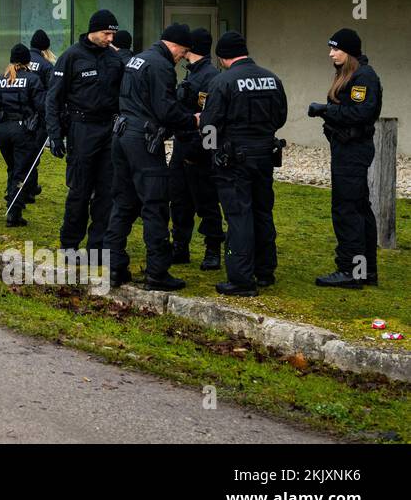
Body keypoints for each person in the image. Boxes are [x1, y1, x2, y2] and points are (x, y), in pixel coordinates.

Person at [104, 23, 197, 290]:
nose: (183, 57)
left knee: (123, 203)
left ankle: (114, 268)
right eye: (184, 51)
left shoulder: (138, 58)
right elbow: (165, 109)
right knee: (155, 205)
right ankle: (157, 272)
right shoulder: (160, 65)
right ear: (175, 45)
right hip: (143, 141)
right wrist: (192, 120)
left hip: (122, 135)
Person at [200, 32, 287, 296]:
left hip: (234, 159)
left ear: (222, 57)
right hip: (264, 155)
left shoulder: (222, 81)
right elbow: (280, 117)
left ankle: (240, 279)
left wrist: (211, 151)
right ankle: (264, 270)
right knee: (262, 211)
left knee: (239, 215)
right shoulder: (272, 78)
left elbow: (209, 124)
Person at [46, 10, 123, 258]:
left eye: (113, 34)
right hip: (82, 130)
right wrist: (55, 135)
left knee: (106, 191)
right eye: (106, 33)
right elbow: (53, 99)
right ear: (93, 30)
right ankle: (69, 245)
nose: (110, 38)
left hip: (109, 131)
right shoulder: (71, 57)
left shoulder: (114, 59)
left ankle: (97, 246)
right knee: (79, 190)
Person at [310, 28, 383, 289]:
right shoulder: (351, 74)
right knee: (359, 208)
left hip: (352, 151)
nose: (331, 54)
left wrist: (325, 111)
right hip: (347, 149)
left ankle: (350, 271)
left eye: (335, 49)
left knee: (347, 210)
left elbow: (361, 113)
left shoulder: (363, 76)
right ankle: (365, 271)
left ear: (349, 51)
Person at [168, 27, 225, 270]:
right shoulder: (193, 73)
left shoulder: (210, 77)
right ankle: (180, 246)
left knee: (206, 202)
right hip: (183, 145)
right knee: (179, 200)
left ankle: (213, 250)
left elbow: (210, 117)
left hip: (200, 149)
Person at [0, 44, 46, 227]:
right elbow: (42, 106)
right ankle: (14, 212)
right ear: (27, 61)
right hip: (23, 130)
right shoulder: (33, 80)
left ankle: (12, 201)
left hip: (3, 130)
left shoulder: (0, 80)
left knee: (12, 168)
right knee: (21, 171)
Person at [24, 29, 56, 203]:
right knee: (34, 153)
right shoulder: (46, 65)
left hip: (21, 115)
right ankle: (29, 189)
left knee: (24, 152)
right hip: (38, 117)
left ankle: (27, 186)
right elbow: (51, 93)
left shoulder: (20, 61)